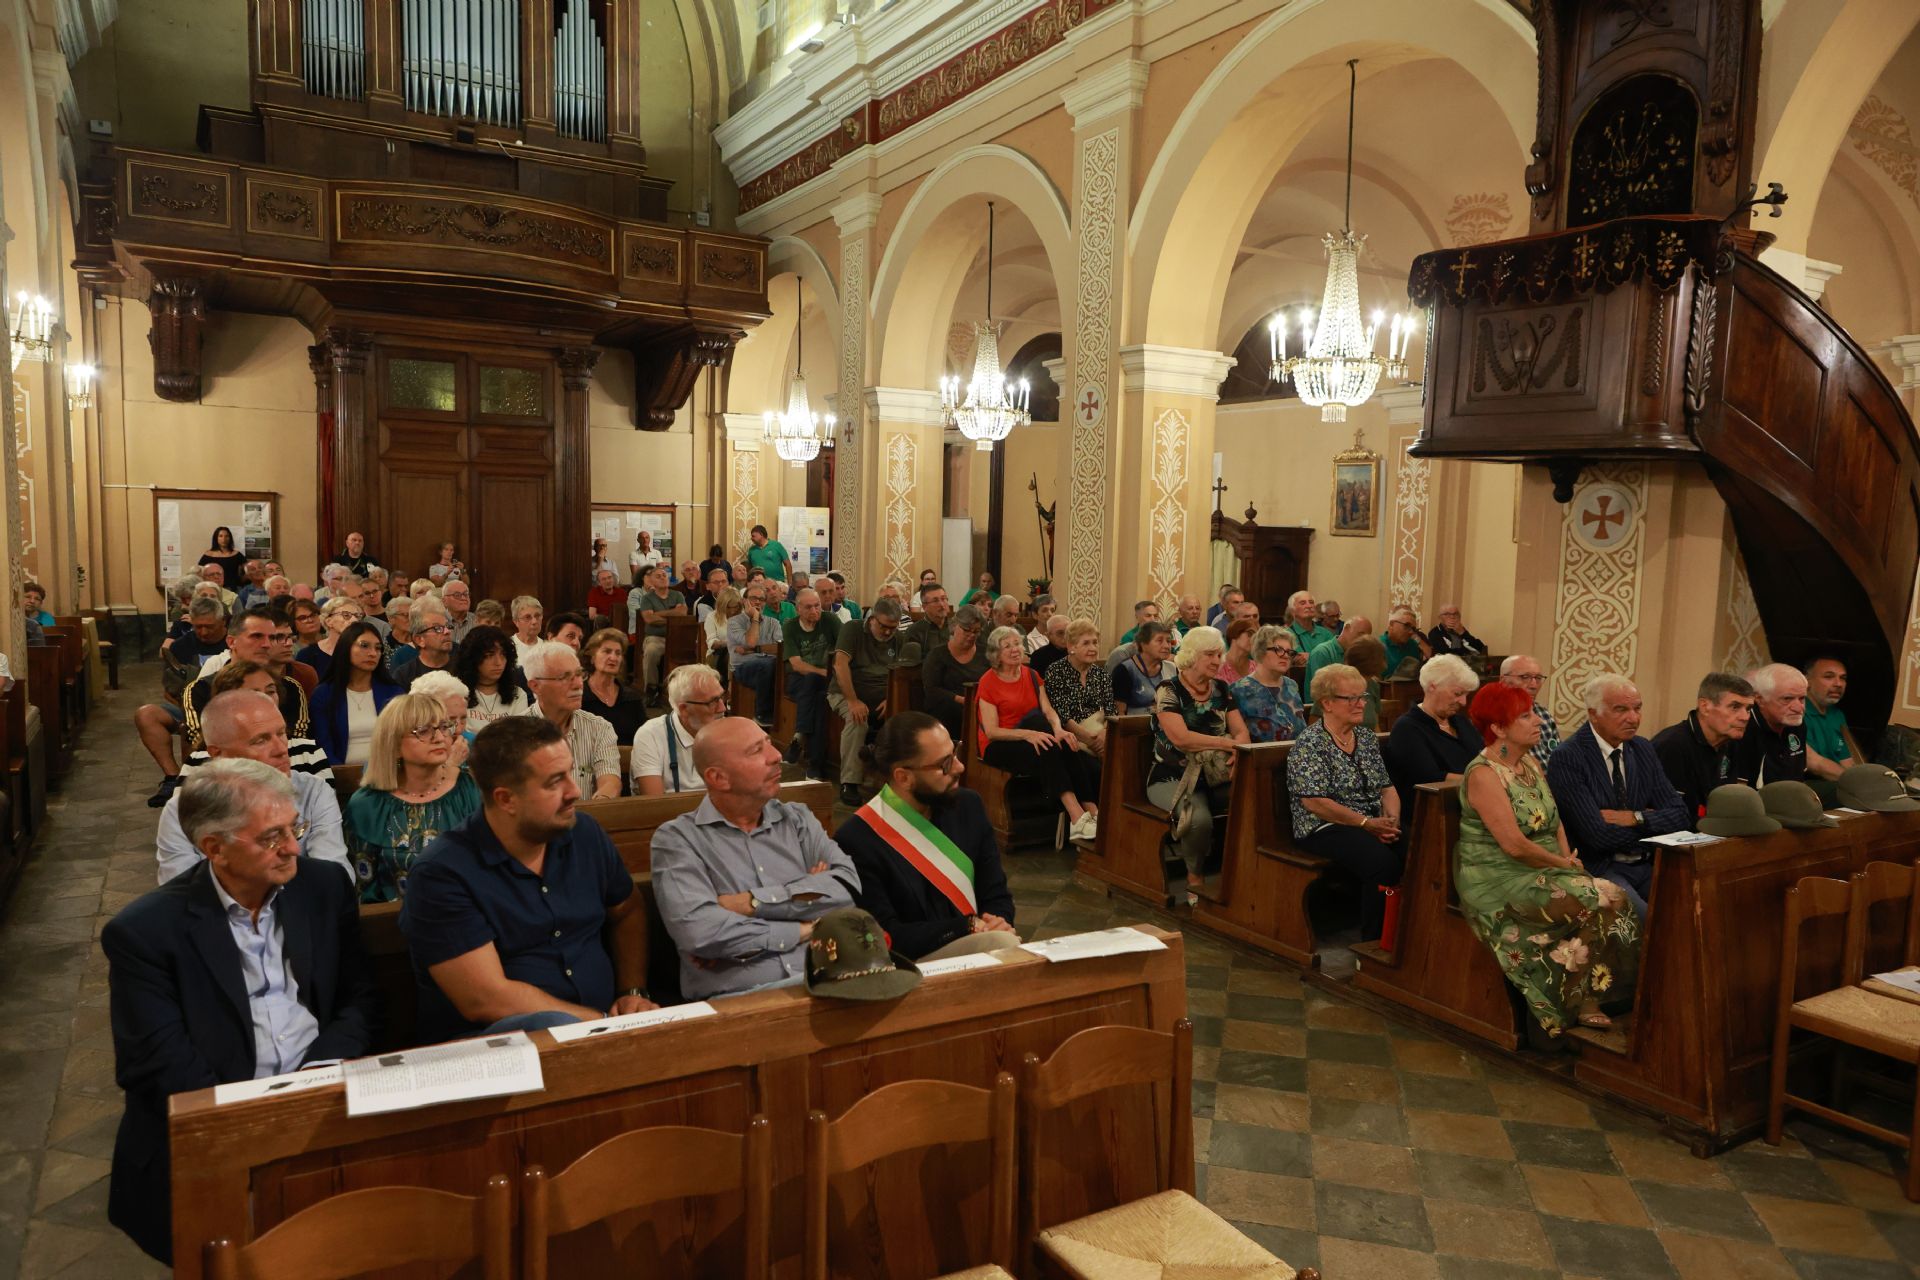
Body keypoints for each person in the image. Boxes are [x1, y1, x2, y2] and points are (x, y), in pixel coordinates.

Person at [107, 759, 378, 1263]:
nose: (293, 848)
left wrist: (320, 1075)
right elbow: (159, 1065)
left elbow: (357, 996)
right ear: (214, 848)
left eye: (295, 828)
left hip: (324, 1104)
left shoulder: (322, 887)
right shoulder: (146, 932)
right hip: (213, 1138)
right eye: (272, 837)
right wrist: (258, 1126)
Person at [400, 717, 654, 1041]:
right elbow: (486, 999)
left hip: (603, 1029)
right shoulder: (442, 874)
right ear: (506, 799)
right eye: (555, 782)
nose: (574, 791)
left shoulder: (583, 833)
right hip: (496, 1046)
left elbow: (627, 909)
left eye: (570, 773)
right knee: (551, 1022)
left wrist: (632, 991)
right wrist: (605, 1024)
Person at [1457, 683, 1640, 1042]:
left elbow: (1554, 820)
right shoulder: (1484, 774)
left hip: (1544, 864)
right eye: (1525, 716)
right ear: (1498, 728)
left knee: (1616, 899)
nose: (1537, 721)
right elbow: (1513, 845)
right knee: (1595, 900)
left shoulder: (1530, 762)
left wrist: (1567, 858)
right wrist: (1561, 864)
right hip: (1498, 874)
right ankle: (1570, 1002)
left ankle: (1589, 992)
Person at [651, 717, 860, 997]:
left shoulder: (797, 819)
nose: (776, 756)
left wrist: (750, 903)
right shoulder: (678, 840)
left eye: (769, 743)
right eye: (756, 751)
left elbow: (846, 889)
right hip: (740, 999)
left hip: (826, 982)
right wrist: (807, 926)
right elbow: (701, 934)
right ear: (718, 778)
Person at [834, 712, 1019, 959]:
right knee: (1002, 945)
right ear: (904, 777)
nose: (960, 767)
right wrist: (967, 927)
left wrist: (998, 921)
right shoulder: (857, 839)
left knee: (1004, 942)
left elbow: (996, 894)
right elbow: (887, 935)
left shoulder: (968, 806)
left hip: (982, 941)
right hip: (912, 962)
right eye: (945, 764)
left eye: (955, 753)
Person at [156, 689, 350, 884]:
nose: (281, 749)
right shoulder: (181, 811)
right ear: (218, 754)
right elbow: (181, 890)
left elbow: (335, 879)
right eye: (260, 741)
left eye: (281, 733)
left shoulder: (313, 792)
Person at [1546, 675, 1691, 915]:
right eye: (1621, 709)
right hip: (1601, 867)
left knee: (1691, 909)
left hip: (1646, 863)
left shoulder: (1642, 748)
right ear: (1593, 714)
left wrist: (1636, 817)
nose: (1633, 718)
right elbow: (1597, 836)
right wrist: (1655, 830)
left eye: (1637, 708)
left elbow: (1681, 815)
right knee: (1644, 919)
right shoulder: (1568, 756)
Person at [1288, 663, 1403, 938]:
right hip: (1323, 826)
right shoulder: (1310, 743)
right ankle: (1374, 941)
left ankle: (1403, 934)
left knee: (1416, 848)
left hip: (1369, 822)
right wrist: (1366, 823)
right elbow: (1314, 802)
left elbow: (1387, 788)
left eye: (1362, 696)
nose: (1361, 704)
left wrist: (1391, 821)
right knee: (1381, 862)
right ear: (1327, 703)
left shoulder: (1365, 737)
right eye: (1351, 698)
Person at [344, 693, 482, 902]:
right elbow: (363, 889)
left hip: (470, 910)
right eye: (423, 731)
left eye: (444, 727)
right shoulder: (368, 804)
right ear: (394, 744)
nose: (440, 738)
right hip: (393, 917)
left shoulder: (471, 788)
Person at [976, 624, 1102, 841]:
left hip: (1037, 738)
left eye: (1017, 644)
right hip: (1000, 744)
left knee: (1066, 743)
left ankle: (1091, 814)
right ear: (996, 654)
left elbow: (1048, 710)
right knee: (1047, 742)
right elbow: (992, 731)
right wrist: (1028, 734)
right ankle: (1078, 817)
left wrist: (1059, 730)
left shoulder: (1032, 675)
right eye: (1007, 646)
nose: (1015, 649)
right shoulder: (988, 681)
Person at [521, 640, 621, 799]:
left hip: (588, 812)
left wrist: (602, 802)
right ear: (535, 686)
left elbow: (610, 781)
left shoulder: (599, 728)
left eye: (579, 674)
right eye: (564, 677)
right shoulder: (514, 734)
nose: (578, 684)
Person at [1385, 654, 1482, 820]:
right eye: (1458, 693)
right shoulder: (1408, 727)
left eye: (1466, 694)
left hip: (1472, 804)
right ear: (1432, 687)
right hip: (1436, 814)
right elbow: (1429, 778)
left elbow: (1482, 759)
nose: (1464, 702)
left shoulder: (1461, 722)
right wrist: (1483, 782)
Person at [1651, 671, 1758, 820]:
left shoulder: (1731, 742)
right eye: (1735, 707)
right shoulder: (1672, 745)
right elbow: (1663, 812)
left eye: (1748, 709)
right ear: (1705, 706)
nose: (1745, 717)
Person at [829, 598, 906, 804]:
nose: (888, 632)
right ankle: (850, 782)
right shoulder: (853, 630)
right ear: (872, 619)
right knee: (858, 721)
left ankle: (893, 781)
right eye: (883, 626)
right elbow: (840, 665)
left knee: (905, 722)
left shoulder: (899, 638)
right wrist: (853, 700)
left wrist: (892, 698)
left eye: (893, 627)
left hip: (882, 695)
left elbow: (902, 674)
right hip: (846, 692)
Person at [311, 621, 401, 766]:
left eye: (378, 648)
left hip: (387, 772)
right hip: (339, 774)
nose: (373, 653)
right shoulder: (324, 694)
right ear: (346, 648)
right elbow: (323, 747)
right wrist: (344, 775)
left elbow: (403, 742)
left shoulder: (393, 692)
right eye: (364, 646)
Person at [630, 664, 730, 795]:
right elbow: (654, 803)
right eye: (713, 702)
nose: (723, 708)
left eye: (722, 697)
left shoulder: (731, 732)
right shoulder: (651, 735)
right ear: (684, 709)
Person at [1737, 662, 1829, 790]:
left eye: (1802, 698)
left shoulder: (1796, 723)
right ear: (1760, 699)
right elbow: (1739, 790)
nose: (1799, 708)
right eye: (1787, 699)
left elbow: (1798, 780)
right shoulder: (1742, 727)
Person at [781, 587, 839, 782]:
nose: (814, 611)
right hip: (799, 680)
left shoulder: (830, 620)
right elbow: (797, 665)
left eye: (817, 606)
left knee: (819, 697)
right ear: (798, 609)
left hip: (826, 680)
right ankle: (815, 766)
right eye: (808, 607)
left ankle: (799, 736)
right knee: (817, 693)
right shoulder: (790, 626)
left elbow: (845, 648)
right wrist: (824, 673)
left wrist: (831, 673)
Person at [1045, 618, 1111, 758]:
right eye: (1086, 643)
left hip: (1102, 735)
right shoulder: (1056, 671)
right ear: (1071, 647)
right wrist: (1092, 741)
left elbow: (1111, 711)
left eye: (1095, 642)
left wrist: (1104, 734)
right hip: (1072, 736)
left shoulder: (1102, 674)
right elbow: (1063, 716)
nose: (1093, 648)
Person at [922, 605, 989, 737]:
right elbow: (932, 690)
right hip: (946, 709)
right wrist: (962, 700)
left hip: (980, 706)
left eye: (976, 631)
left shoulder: (985, 654)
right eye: (967, 630)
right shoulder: (937, 655)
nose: (971, 635)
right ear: (954, 627)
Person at [1233, 625, 1307, 744]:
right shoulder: (1240, 690)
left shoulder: (1291, 684)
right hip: (1262, 754)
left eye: (1289, 652)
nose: (1286, 656)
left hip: (1300, 752)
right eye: (1278, 649)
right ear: (1261, 651)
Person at [729, 581, 784, 728]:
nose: (758, 602)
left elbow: (779, 648)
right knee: (768, 664)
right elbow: (751, 641)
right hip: (742, 668)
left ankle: (784, 720)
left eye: (761, 599)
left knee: (777, 666)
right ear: (744, 601)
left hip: (770, 666)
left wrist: (756, 650)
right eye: (754, 598)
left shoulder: (774, 623)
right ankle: (761, 715)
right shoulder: (734, 622)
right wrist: (754, 618)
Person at [629, 562, 685, 703]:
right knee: (651, 651)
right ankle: (651, 689)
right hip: (655, 637)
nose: (662, 578)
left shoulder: (677, 595)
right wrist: (671, 616)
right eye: (658, 576)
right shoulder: (647, 598)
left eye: (664, 575)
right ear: (652, 581)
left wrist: (658, 614)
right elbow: (649, 619)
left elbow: (682, 613)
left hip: (676, 638)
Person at [581, 627, 647, 744]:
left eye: (618, 653)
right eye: (607, 651)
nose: (613, 658)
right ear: (592, 658)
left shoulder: (632, 698)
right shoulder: (579, 696)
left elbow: (645, 738)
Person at [1802, 656, 1859, 777]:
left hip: (1838, 781)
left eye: (1843, 678)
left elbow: (1846, 760)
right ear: (1807, 680)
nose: (1838, 684)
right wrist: (1855, 783)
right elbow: (1814, 763)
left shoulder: (1837, 715)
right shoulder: (1796, 711)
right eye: (1828, 677)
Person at [1499, 654, 1560, 766]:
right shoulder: (1493, 717)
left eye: (1538, 678)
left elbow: (1558, 759)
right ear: (1503, 680)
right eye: (1525, 677)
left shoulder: (1544, 715)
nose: (1534, 685)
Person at [297, 594, 366, 681]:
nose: (354, 620)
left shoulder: (365, 652)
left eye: (357, 616)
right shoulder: (307, 655)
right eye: (346, 615)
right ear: (329, 621)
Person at [390, 595, 456, 685]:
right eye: (437, 628)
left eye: (448, 626)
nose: (447, 631)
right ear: (419, 640)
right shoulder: (403, 676)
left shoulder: (465, 665)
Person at [1112, 620, 1175, 714]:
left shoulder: (1172, 668)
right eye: (1159, 640)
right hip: (1135, 723)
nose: (1166, 646)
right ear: (1143, 644)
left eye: (1169, 641)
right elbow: (1118, 715)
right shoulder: (1125, 670)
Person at [1305, 616, 1374, 688]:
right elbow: (1321, 690)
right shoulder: (1322, 652)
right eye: (1360, 634)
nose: (1362, 640)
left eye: (1366, 638)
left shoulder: (1358, 655)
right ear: (1347, 628)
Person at [900, 580, 953, 662]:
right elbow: (910, 665)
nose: (942, 605)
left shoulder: (956, 627)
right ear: (924, 606)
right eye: (935, 601)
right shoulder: (914, 631)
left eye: (943, 599)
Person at [1285, 591, 1335, 669]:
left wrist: (1310, 657)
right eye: (1303, 603)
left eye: (1311, 602)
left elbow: (1336, 658)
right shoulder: (1286, 635)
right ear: (1292, 611)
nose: (1309, 606)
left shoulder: (1326, 634)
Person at [1382, 607, 1429, 679]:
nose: (1411, 632)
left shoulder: (1413, 645)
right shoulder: (1377, 646)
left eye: (1413, 628)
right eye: (1406, 626)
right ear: (1391, 624)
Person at [196, 525, 247, 590]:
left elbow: (249, 570)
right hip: (212, 588)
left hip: (232, 589)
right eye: (221, 536)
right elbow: (199, 573)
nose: (224, 539)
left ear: (230, 538)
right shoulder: (208, 554)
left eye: (227, 536)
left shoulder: (236, 554)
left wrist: (241, 581)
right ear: (216, 538)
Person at [705, 585, 744, 668]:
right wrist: (729, 643)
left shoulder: (744, 616)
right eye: (728, 607)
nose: (732, 611)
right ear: (722, 605)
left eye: (735, 607)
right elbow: (712, 643)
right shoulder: (712, 617)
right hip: (717, 654)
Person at [1219, 617, 1258, 684]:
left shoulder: (1256, 667)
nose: (1254, 639)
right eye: (1250, 633)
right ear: (1235, 633)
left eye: (1257, 636)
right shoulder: (1218, 665)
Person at [509, 595, 545, 664]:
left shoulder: (546, 647)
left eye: (537, 616)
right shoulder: (509, 646)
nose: (534, 621)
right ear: (516, 622)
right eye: (527, 617)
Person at [442, 578, 476, 644]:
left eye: (466, 594)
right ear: (444, 601)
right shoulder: (437, 622)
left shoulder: (477, 621)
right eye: (457, 595)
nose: (463, 598)